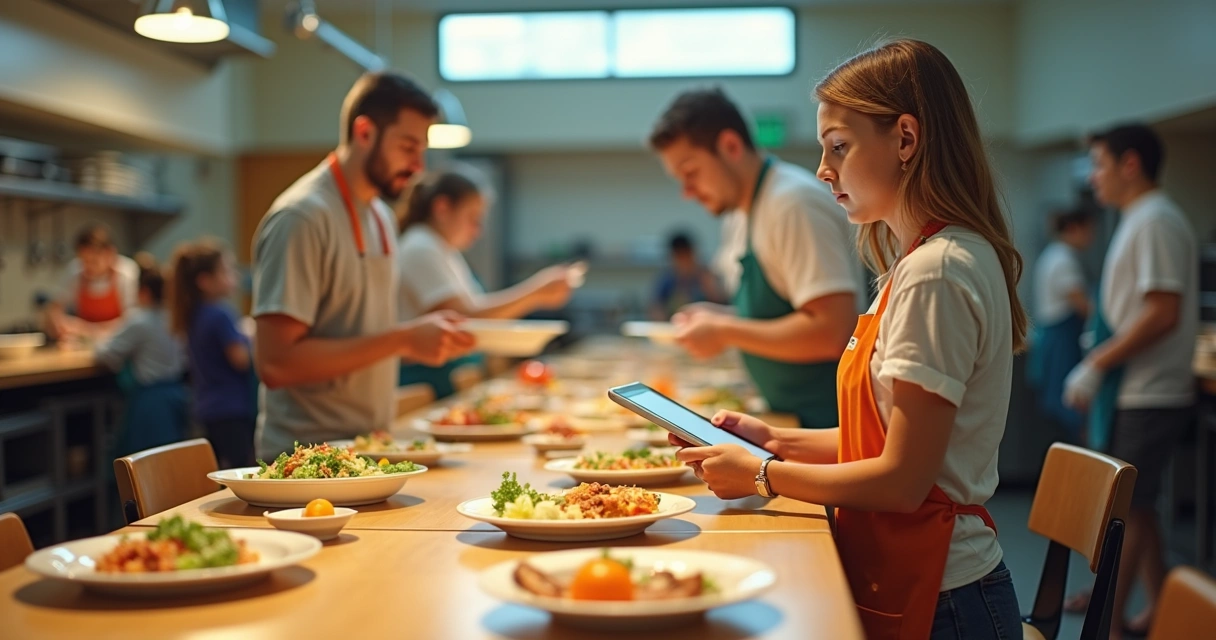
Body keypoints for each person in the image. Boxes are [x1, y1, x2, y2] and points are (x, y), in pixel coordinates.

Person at [669, 40, 1026, 639]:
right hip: (922, 579)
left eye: (839, 146)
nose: (822, 169)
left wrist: (762, 474)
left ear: (906, 140)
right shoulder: (917, 263)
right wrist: (774, 439)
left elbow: (901, 481)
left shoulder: (936, 271)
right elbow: (882, 441)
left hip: (946, 597)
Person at [251, 72, 475, 459]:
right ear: (365, 132)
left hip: (368, 447)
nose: (418, 166)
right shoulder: (302, 217)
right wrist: (404, 339)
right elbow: (277, 364)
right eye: (407, 147)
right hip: (306, 459)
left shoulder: (381, 217)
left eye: (422, 150)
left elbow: (364, 337)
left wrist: (422, 341)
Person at [648, 88, 862, 429]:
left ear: (730, 146)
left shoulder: (792, 204)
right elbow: (783, 314)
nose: (687, 193)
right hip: (790, 417)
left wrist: (725, 330)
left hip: (828, 424)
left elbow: (832, 331)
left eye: (691, 173)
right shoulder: (742, 213)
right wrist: (719, 319)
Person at [1062, 123, 1198, 638]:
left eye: (1099, 164)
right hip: (1134, 389)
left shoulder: (1156, 220)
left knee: (1127, 510)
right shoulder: (1139, 218)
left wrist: (1098, 362)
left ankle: (1110, 625)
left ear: (1131, 164)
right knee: (1138, 510)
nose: (1092, 177)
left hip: (1148, 391)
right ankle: (1162, 608)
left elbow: (1161, 311)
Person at [396, 169, 574, 398]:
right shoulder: (421, 247)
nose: (478, 231)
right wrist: (535, 291)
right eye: (473, 218)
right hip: (426, 379)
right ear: (442, 208)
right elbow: (464, 318)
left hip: (445, 375)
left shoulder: (442, 249)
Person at [169, 239, 257, 469]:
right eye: (227, 271)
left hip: (208, 407)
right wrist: (255, 342)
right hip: (231, 408)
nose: (234, 276)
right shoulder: (220, 313)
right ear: (205, 281)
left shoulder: (195, 313)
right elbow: (240, 360)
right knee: (240, 471)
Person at [94, 254, 187, 456]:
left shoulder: (140, 321)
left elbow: (106, 354)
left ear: (144, 292)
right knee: (172, 457)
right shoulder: (175, 317)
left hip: (151, 401)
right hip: (178, 394)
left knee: (146, 460)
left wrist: (96, 339)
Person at [1028, 208, 1096, 442]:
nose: (1091, 237)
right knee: (1067, 405)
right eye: (1088, 230)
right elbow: (1082, 305)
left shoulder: (1053, 255)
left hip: (1054, 335)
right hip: (1061, 338)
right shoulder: (1063, 259)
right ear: (1073, 228)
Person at [46, 224, 139, 341]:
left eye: (94, 261)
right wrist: (59, 324)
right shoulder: (75, 270)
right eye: (84, 261)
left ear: (110, 253)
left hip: (119, 342)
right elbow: (54, 308)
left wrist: (87, 329)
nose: (88, 267)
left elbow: (131, 321)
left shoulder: (127, 272)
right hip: (83, 344)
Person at [650, 231, 725, 320]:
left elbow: (721, 305)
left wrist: (711, 290)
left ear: (692, 254)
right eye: (679, 258)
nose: (683, 262)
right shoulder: (667, 280)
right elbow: (655, 307)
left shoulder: (706, 277)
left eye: (686, 257)